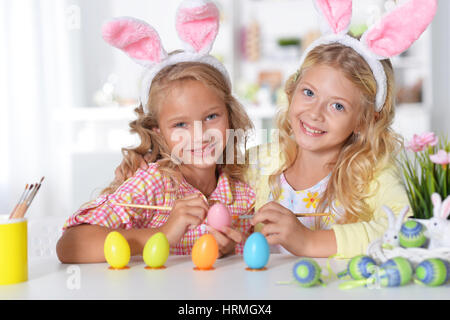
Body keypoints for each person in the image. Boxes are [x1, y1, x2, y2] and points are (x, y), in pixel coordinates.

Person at [56, 0, 255, 263]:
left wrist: (231, 251)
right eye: (180, 124)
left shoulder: (243, 191)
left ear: (229, 115)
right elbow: (71, 246)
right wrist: (162, 233)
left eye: (211, 117)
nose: (198, 134)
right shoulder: (153, 184)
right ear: (158, 131)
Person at [247, 0, 437, 258]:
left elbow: (403, 228)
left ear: (364, 120)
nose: (315, 113)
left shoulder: (371, 173)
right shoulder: (259, 162)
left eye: (337, 106)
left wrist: (309, 241)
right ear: (292, 91)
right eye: (309, 92)